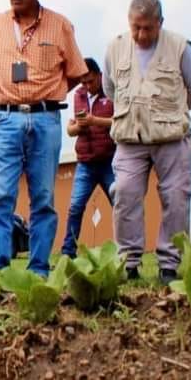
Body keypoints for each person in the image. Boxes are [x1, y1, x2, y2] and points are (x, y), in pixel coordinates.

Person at [0, 0, 88, 275]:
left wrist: (49, 92)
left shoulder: (60, 25)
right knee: (1, 194)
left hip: (46, 119)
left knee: (44, 196)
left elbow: (75, 73)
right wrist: (5, 94)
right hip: (4, 119)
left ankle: (39, 267)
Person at [104, 0, 191, 285]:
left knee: (176, 198)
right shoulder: (115, 47)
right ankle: (129, 263)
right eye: (136, 27)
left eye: (147, 28)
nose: (141, 34)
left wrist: (169, 116)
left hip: (171, 138)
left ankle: (169, 265)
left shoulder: (180, 47)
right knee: (124, 194)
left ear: (160, 23)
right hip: (129, 139)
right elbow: (110, 89)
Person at [60, 57, 115, 257]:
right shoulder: (77, 96)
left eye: (90, 81)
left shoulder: (112, 92)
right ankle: (68, 252)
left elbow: (118, 123)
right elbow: (70, 130)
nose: (87, 86)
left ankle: (127, 254)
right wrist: (80, 126)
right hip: (85, 162)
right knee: (75, 207)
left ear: (100, 76)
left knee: (120, 206)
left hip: (109, 160)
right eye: (83, 82)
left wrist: (94, 121)